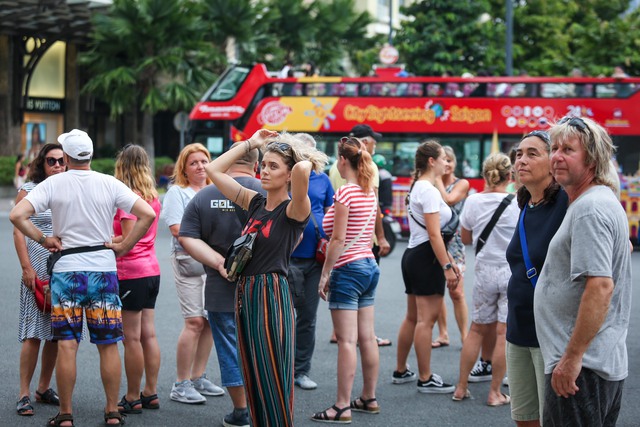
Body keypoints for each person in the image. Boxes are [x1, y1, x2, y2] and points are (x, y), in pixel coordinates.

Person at [10, 129, 156, 427]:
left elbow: (16, 215)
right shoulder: (109, 182)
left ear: (66, 156)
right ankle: (112, 410)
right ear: (89, 155)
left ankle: (65, 414)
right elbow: (147, 214)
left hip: (66, 272)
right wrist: (124, 246)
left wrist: (43, 238)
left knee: (67, 345)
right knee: (108, 344)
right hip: (103, 270)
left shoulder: (54, 184)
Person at [206, 130, 327, 426]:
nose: (264, 171)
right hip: (246, 293)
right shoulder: (256, 202)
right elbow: (212, 170)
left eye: (273, 166)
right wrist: (252, 143)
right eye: (264, 164)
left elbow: (301, 168)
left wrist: (298, 153)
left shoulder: (295, 210)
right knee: (253, 376)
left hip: (271, 294)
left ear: (288, 175)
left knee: (273, 376)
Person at [534, 116, 631, 426]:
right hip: (588, 364)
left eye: (568, 150)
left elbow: (601, 287)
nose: (556, 156)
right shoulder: (591, 201)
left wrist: (571, 359)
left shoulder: (590, 208)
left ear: (592, 158)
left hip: (582, 369)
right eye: (555, 148)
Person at [179, 141, 263, 427]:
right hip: (264, 289)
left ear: (226, 161)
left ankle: (241, 411)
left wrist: (218, 262)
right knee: (262, 348)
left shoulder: (204, 196)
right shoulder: (269, 193)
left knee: (229, 348)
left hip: (219, 288)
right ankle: (264, 406)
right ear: (257, 164)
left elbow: (187, 236)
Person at [311, 135, 381, 423]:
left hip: (348, 269)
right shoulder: (368, 192)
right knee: (367, 338)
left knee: (347, 341)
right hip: (369, 266)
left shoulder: (346, 194)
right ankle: (369, 396)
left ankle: (341, 405)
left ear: (342, 160)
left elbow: (337, 239)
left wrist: (325, 273)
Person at [506, 130, 569, 426]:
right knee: (525, 418)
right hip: (517, 330)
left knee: (553, 420)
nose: (522, 160)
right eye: (519, 154)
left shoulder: (567, 203)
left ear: (553, 161)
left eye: (533, 153)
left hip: (551, 335)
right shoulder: (525, 205)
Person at [392, 140, 460, 395]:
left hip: (413, 255)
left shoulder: (418, 187)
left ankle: (401, 370)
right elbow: (435, 235)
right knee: (426, 321)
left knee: (413, 317)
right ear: (431, 161)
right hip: (427, 257)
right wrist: (446, 265)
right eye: (443, 158)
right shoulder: (429, 190)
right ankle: (425, 377)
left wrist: (448, 263)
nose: (446, 163)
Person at [452, 152, 519, 406]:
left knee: (477, 329)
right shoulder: (518, 202)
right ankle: (494, 393)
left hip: (484, 271)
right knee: (503, 333)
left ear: (484, 175)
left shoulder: (472, 201)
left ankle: (461, 387)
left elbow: (467, 239)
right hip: (511, 272)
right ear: (509, 176)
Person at [161, 143, 224, 404]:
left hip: (214, 263)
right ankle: (181, 383)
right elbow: (177, 229)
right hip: (189, 261)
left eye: (204, 160)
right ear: (184, 169)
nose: (200, 166)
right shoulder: (177, 192)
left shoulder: (215, 190)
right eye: (194, 162)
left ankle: (198, 376)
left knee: (210, 321)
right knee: (195, 322)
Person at [13, 143, 65, 417]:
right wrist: (26, 268)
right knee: (33, 334)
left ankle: (43, 388)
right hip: (36, 272)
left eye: (61, 161)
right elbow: (18, 232)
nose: (57, 166)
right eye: (51, 161)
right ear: (42, 164)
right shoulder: (31, 190)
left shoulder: (69, 188)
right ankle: (23, 393)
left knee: (56, 335)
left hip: (63, 272)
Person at [328, 124, 391, 347]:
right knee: (363, 333)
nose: (374, 145)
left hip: (344, 255)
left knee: (347, 330)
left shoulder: (336, 171)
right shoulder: (368, 167)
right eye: (373, 141)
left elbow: (336, 234)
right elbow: (375, 209)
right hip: (364, 248)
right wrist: (381, 237)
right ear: (364, 142)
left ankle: (342, 331)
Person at [112, 144, 162, 414]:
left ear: (122, 166)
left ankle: (131, 396)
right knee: (148, 335)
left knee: (131, 338)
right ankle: (150, 392)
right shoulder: (152, 195)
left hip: (131, 271)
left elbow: (128, 239)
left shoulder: (128, 198)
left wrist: (105, 240)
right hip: (151, 269)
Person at [289, 133, 335, 391]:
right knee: (281, 317)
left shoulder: (323, 180)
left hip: (314, 260)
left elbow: (330, 213)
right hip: (286, 260)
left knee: (307, 317)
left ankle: (301, 370)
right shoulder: (285, 179)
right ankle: (279, 367)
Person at [432, 145, 470, 347]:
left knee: (457, 292)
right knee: (437, 292)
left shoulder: (461, 184)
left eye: (449, 160)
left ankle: (465, 337)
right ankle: (443, 333)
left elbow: (449, 200)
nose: (446, 164)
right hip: (435, 241)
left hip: (454, 243)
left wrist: (436, 177)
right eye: (442, 160)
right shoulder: (429, 184)